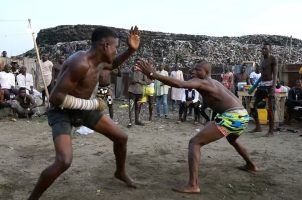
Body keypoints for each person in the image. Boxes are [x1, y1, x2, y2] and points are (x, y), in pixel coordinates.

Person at [28, 26, 140, 200]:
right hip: (62, 112)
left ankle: (120, 172)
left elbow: (113, 64)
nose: (115, 51)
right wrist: (92, 103)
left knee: (121, 137)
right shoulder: (80, 63)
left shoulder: (100, 60)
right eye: (115, 47)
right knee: (64, 161)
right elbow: (56, 98)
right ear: (105, 46)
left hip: (84, 110)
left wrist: (131, 50)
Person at [138, 60, 257, 194]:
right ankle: (251, 165)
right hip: (242, 115)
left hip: (232, 116)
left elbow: (179, 84)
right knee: (232, 140)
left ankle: (193, 185)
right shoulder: (215, 82)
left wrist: (153, 74)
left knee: (194, 143)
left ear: (206, 72)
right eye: (194, 69)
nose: (194, 72)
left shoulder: (203, 81)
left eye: (198, 69)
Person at [250, 42, 277, 136]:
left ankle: (271, 131)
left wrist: (273, 87)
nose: (263, 50)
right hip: (262, 86)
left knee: (270, 109)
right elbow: (262, 75)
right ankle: (258, 127)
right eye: (262, 49)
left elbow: (275, 74)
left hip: (270, 86)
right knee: (252, 105)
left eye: (265, 48)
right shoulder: (262, 60)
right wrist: (255, 85)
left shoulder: (272, 59)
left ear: (270, 49)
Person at [127, 59, 147, 127]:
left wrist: (139, 81)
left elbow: (146, 82)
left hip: (139, 92)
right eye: (137, 63)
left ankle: (137, 121)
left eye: (139, 63)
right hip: (132, 91)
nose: (137, 64)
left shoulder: (143, 72)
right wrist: (132, 81)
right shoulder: (132, 70)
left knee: (138, 107)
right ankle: (130, 122)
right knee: (131, 106)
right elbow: (128, 79)